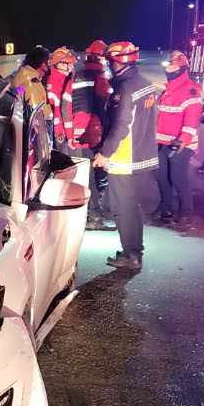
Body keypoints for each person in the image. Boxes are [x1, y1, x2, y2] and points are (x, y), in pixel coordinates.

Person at [92, 39, 159, 271]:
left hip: (124, 158)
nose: (109, 66)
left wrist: (105, 153)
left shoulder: (125, 88)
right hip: (142, 154)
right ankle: (134, 250)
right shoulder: (145, 84)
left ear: (117, 62)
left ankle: (132, 255)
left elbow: (122, 125)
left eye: (110, 62)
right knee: (132, 206)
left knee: (122, 208)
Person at [154, 49, 203, 230]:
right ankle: (166, 210)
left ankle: (186, 214)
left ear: (182, 69)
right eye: (168, 66)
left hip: (181, 144)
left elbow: (192, 120)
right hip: (162, 142)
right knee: (161, 177)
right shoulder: (167, 90)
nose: (169, 70)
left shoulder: (191, 90)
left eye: (173, 67)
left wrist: (183, 140)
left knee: (178, 178)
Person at [72, 41, 113, 228]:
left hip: (77, 134)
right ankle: (95, 213)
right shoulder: (100, 78)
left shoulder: (77, 75)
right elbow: (104, 107)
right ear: (102, 58)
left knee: (85, 174)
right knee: (96, 173)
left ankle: (91, 212)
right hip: (94, 133)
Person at [47, 47, 76, 152]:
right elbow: (60, 110)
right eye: (67, 63)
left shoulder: (53, 77)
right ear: (59, 64)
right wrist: (64, 133)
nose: (70, 66)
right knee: (63, 159)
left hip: (57, 129)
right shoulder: (58, 80)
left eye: (71, 63)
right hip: (60, 131)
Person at [12, 46, 52, 119]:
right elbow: (36, 114)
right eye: (48, 62)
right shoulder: (31, 83)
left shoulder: (25, 77)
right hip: (38, 124)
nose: (50, 66)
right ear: (42, 64)